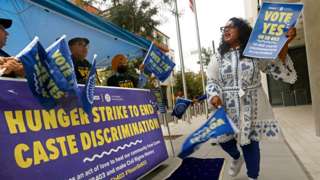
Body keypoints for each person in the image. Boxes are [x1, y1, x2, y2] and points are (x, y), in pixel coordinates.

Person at [206, 17, 297, 180]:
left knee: (249, 143)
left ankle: (253, 176)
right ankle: (236, 157)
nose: (226, 30)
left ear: (242, 30)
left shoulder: (254, 51)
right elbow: (212, 80)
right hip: (226, 105)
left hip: (251, 103)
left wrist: (285, 42)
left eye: (231, 27)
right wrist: (213, 95)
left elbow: (275, 64)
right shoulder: (218, 57)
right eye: (224, 28)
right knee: (222, 139)